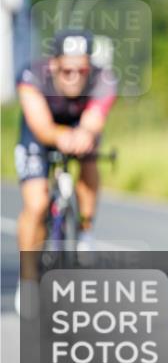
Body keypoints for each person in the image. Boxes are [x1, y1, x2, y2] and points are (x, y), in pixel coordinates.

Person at [14, 28, 117, 315]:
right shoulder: (32, 77)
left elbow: (95, 117)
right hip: (39, 133)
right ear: (54, 64)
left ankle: (85, 231)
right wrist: (60, 137)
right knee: (36, 204)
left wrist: (84, 134)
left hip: (78, 127)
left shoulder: (104, 78)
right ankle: (29, 280)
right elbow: (41, 125)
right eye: (66, 70)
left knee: (90, 155)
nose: (74, 77)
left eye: (81, 70)